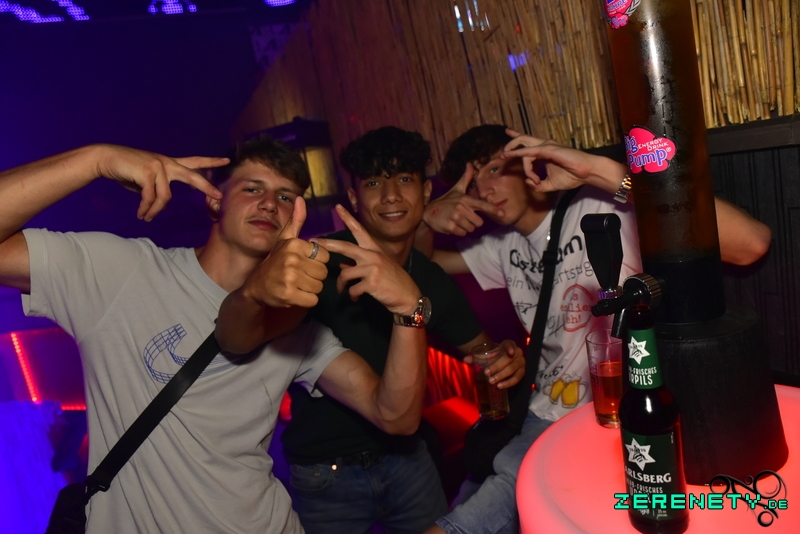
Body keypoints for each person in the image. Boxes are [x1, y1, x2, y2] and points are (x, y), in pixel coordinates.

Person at [0, 135, 431, 533]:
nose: (269, 204)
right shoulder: (123, 272)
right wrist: (96, 159)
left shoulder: (297, 325)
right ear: (214, 202)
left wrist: (409, 310)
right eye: (252, 188)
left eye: (285, 196)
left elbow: (395, 415)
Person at [420, 124, 772, 534]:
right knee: (469, 492)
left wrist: (597, 170)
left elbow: (752, 242)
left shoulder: (601, 209)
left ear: (530, 162)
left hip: (615, 411)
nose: (483, 190)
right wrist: (427, 220)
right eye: (471, 182)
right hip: (539, 409)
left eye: (495, 169)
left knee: (483, 507)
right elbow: (427, 265)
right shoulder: (503, 246)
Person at [215, 126, 526, 534]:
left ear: (426, 193)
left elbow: (485, 352)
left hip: (410, 462)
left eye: (404, 179)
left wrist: (507, 357)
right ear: (353, 197)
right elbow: (236, 339)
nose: (391, 195)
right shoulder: (319, 262)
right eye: (375, 182)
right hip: (325, 475)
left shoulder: (430, 278)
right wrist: (254, 291)